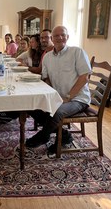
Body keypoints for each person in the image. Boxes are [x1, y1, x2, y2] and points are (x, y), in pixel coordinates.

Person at [25, 26, 92, 154]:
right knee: (32, 106)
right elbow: (47, 78)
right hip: (58, 97)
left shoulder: (77, 52)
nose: (60, 37)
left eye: (63, 35)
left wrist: (68, 97)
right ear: (52, 38)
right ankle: (65, 135)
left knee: (56, 112)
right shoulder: (48, 57)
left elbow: (85, 77)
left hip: (77, 99)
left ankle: (43, 135)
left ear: (67, 37)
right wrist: (50, 95)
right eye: (56, 35)